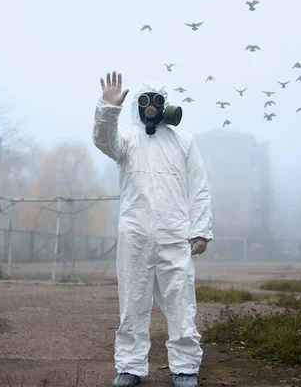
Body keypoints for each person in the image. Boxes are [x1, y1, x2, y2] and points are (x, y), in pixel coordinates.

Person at [93, 71, 213, 387]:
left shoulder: (184, 142)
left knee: (181, 303)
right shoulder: (128, 140)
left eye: (156, 101)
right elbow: (104, 141)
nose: (151, 107)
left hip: (175, 235)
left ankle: (185, 368)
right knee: (132, 302)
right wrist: (109, 109)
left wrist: (200, 229)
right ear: (138, 104)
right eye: (145, 101)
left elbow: (199, 187)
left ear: (165, 105)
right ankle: (130, 367)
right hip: (135, 235)